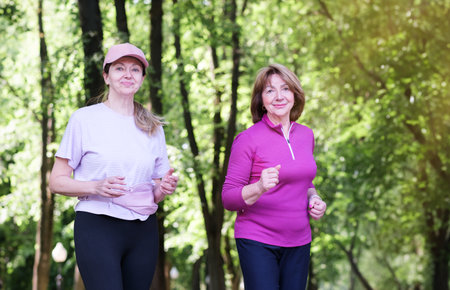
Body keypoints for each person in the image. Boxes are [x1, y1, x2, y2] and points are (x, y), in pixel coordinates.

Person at [49, 43, 178, 290]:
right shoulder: (84, 119)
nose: (128, 75)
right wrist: (95, 186)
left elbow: (156, 190)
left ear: (141, 78)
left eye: (135, 69)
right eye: (119, 68)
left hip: (143, 230)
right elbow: (56, 181)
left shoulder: (153, 127)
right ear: (106, 76)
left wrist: (165, 188)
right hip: (97, 224)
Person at [222, 64, 327, 290]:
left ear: (295, 95)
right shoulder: (248, 139)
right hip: (258, 239)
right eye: (270, 90)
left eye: (285, 89)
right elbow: (228, 198)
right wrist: (259, 186)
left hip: (299, 240)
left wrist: (314, 199)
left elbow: (305, 181)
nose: (279, 96)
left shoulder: (306, 135)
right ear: (261, 100)